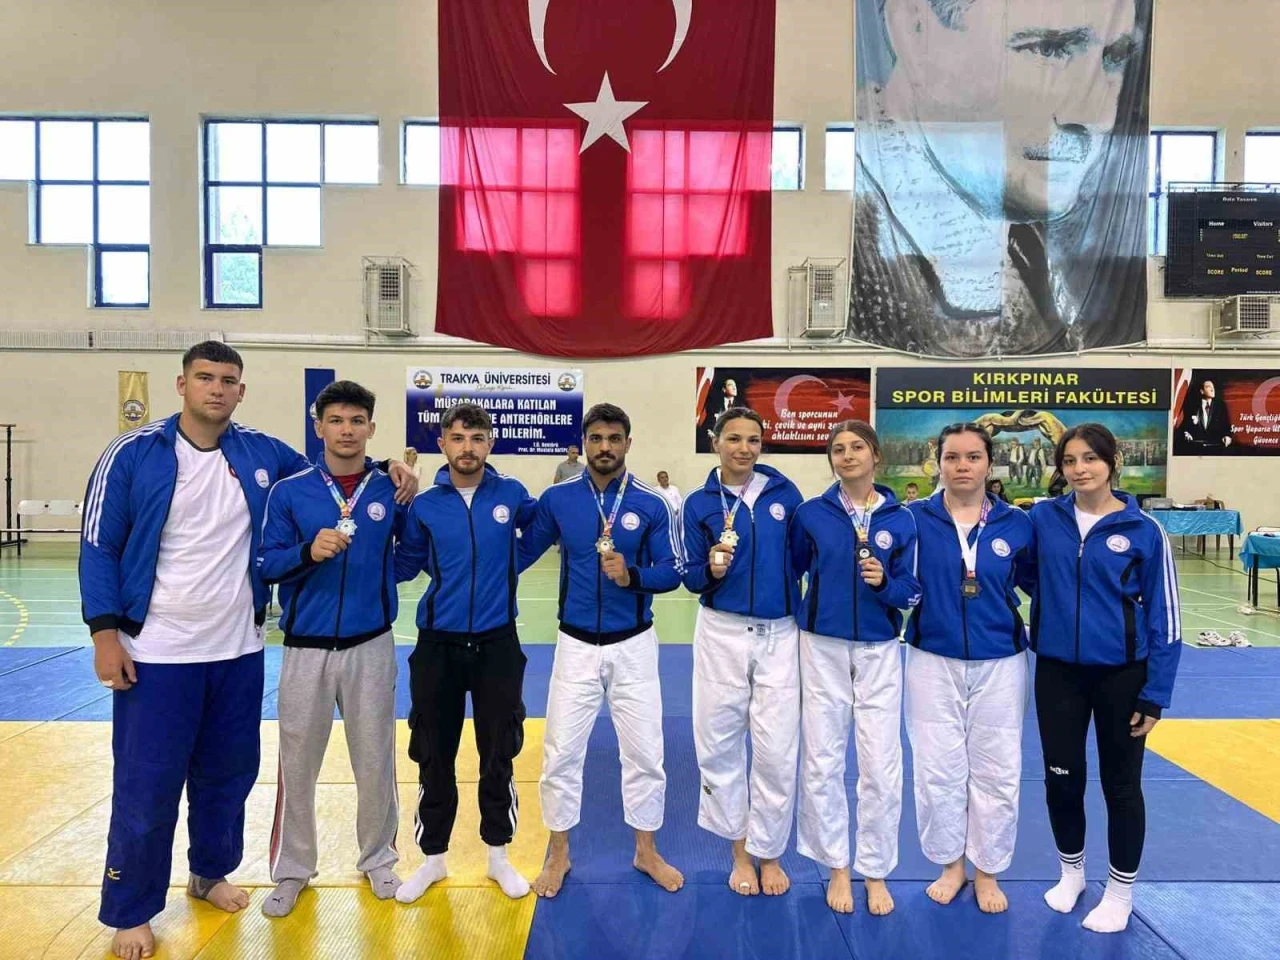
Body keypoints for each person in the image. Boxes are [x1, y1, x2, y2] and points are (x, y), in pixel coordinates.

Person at [78, 342, 417, 960]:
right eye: (204, 377)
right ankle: (131, 909)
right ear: (181, 384)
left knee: (227, 774)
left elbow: (335, 471)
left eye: (228, 380)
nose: (216, 388)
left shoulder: (261, 453)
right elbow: (99, 545)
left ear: (241, 390)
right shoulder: (133, 453)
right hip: (157, 649)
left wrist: (391, 466)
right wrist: (105, 634)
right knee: (148, 784)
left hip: (238, 647)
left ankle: (209, 873)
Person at [851, 0, 1147, 356]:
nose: (1093, 116)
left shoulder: (1022, 228)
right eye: (1047, 49)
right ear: (913, 31)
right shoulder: (858, 236)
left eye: (1115, 57)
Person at [518, 403, 686, 898]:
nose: (605, 447)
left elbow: (672, 571)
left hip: (634, 645)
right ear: (584, 443)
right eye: (597, 438)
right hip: (575, 646)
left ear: (628, 443)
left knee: (646, 754)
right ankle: (559, 852)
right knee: (560, 755)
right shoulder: (559, 499)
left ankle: (646, 850)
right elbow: (521, 553)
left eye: (614, 438)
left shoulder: (652, 503)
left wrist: (632, 576)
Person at [257, 380, 405, 916]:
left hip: (371, 644)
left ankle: (379, 858)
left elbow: (412, 551)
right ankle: (292, 869)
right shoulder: (289, 492)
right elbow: (265, 563)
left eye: (357, 421)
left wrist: (379, 582)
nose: (347, 430)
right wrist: (307, 551)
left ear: (371, 428)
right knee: (296, 765)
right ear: (318, 426)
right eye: (336, 420)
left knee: (375, 759)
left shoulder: (391, 488)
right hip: (306, 649)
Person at [1029, 423, 1181, 934]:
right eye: (1070, 460)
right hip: (1058, 673)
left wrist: (1155, 694)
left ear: (1113, 462)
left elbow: (1165, 618)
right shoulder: (1043, 519)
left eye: (1091, 458)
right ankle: (1071, 873)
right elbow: (1024, 573)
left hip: (1123, 677)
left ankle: (1119, 892)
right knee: (1061, 778)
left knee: (1121, 786)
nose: (1080, 469)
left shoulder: (1144, 530)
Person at [393, 402, 538, 903]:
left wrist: (509, 566)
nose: (467, 448)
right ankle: (433, 858)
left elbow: (541, 530)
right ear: (443, 444)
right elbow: (406, 563)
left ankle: (499, 856)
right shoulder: (425, 505)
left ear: (490, 443)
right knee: (434, 752)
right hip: (438, 643)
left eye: (477, 438)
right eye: (457, 438)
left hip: (498, 642)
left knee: (499, 751)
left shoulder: (512, 494)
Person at [788, 420, 921, 916]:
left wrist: (885, 584)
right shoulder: (810, 514)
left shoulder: (902, 519)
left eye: (857, 447)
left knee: (881, 766)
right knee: (822, 759)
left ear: (876, 455)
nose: (847, 456)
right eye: (838, 449)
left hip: (880, 648)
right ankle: (836, 865)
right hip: (821, 645)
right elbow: (793, 572)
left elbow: (912, 591)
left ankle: (876, 869)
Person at [904, 424, 1035, 914]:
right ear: (938, 462)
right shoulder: (913, 519)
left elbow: (1040, 584)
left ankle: (988, 869)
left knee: (997, 769)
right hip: (931, 657)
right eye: (953, 457)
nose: (963, 466)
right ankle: (950, 864)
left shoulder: (1017, 524)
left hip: (1001, 659)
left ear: (989, 464)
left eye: (974, 457)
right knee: (937, 768)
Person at [679, 407, 804, 897]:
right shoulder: (698, 504)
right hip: (722, 632)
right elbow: (691, 577)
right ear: (715, 442)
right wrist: (710, 571)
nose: (744, 448)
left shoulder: (785, 495)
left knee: (776, 750)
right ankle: (738, 852)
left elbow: (803, 559)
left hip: (779, 632)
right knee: (719, 745)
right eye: (734, 439)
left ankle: (769, 853)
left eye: (753, 439)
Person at [1177, 378, 1233, 450]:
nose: (1212, 389)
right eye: (1208, 387)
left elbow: (1226, 426)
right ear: (1202, 391)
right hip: (1196, 448)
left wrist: (1228, 437)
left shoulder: (1220, 406)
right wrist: (1186, 433)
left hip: (1216, 447)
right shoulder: (1193, 406)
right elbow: (1185, 425)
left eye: (1213, 387)